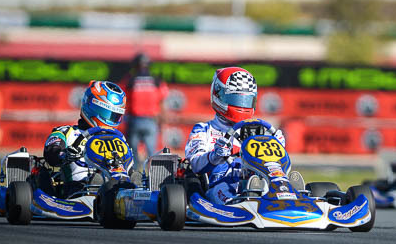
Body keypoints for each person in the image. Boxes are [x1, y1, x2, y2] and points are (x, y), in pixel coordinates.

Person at [184, 67, 292, 204]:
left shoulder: (259, 130)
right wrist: (215, 156)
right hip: (222, 181)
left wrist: (277, 146)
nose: (241, 106)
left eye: (246, 101)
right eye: (235, 99)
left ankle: (286, 192)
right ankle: (237, 203)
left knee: (266, 180)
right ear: (218, 95)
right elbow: (195, 165)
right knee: (225, 190)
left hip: (257, 178)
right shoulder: (204, 129)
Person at [42, 80, 127, 198]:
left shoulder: (118, 139)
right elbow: (51, 152)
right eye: (106, 113)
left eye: (114, 116)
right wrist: (63, 154)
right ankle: (97, 188)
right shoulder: (67, 132)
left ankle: (129, 186)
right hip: (79, 187)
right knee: (86, 186)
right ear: (91, 107)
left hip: (114, 183)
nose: (110, 120)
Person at [122, 52, 169, 163]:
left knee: (132, 155)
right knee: (152, 153)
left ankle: (133, 178)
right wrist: (162, 119)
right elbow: (162, 101)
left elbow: (122, 100)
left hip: (134, 120)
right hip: (151, 121)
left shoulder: (130, 80)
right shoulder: (156, 80)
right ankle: (154, 177)